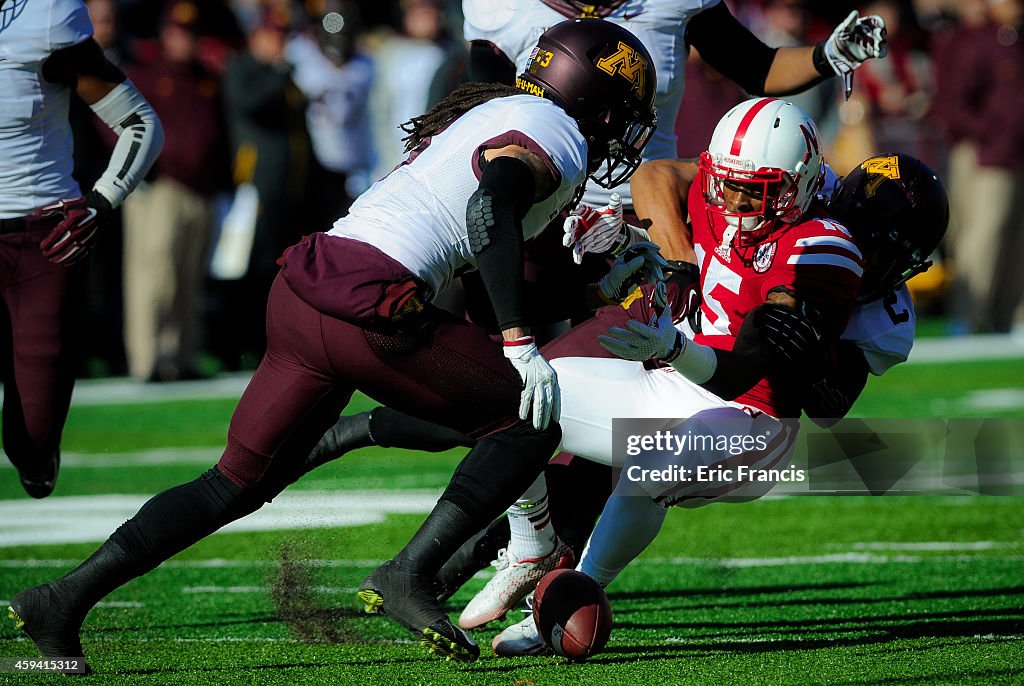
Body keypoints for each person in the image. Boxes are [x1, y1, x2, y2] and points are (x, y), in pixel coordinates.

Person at [7, 18, 659, 668]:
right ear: (595, 99)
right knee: (528, 422)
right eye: (625, 110)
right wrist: (521, 343)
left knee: (232, 483)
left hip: (308, 286)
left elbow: (500, 267)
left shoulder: (499, 114)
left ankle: (62, 600)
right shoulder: (558, 132)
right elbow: (491, 215)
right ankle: (411, 572)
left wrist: (597, 290)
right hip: (371, 301)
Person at [305, 98, 866, 634]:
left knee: (653, 468)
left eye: (754, 193)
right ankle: (533, 545)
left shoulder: (819, 247)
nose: (735, 206)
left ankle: (573, 591)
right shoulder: (712, 194)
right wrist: (620, 230)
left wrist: (672, 346)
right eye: (728, 186)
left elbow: (741, 373)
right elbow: (658, 178)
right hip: (669, 384)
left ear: (803, 184)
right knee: (516, 394)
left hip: (752, 420)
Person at [0, 0, 163, 498]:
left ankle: (36, 451)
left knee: (32, 434)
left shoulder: (44, 15)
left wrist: (100, 202)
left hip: (41, 240)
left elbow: (140, 123)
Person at [122, 1, 232, 382]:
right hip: (161, 189)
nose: (186, 40)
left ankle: (182, 356)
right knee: (153, 275)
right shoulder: (145, 75)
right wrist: (143, 167)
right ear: (166, 33)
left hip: (200, 190)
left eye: (193, 34)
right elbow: (114, 123)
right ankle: (147, 359)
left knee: (189, 277)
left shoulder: (205, 77)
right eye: (180, 32)